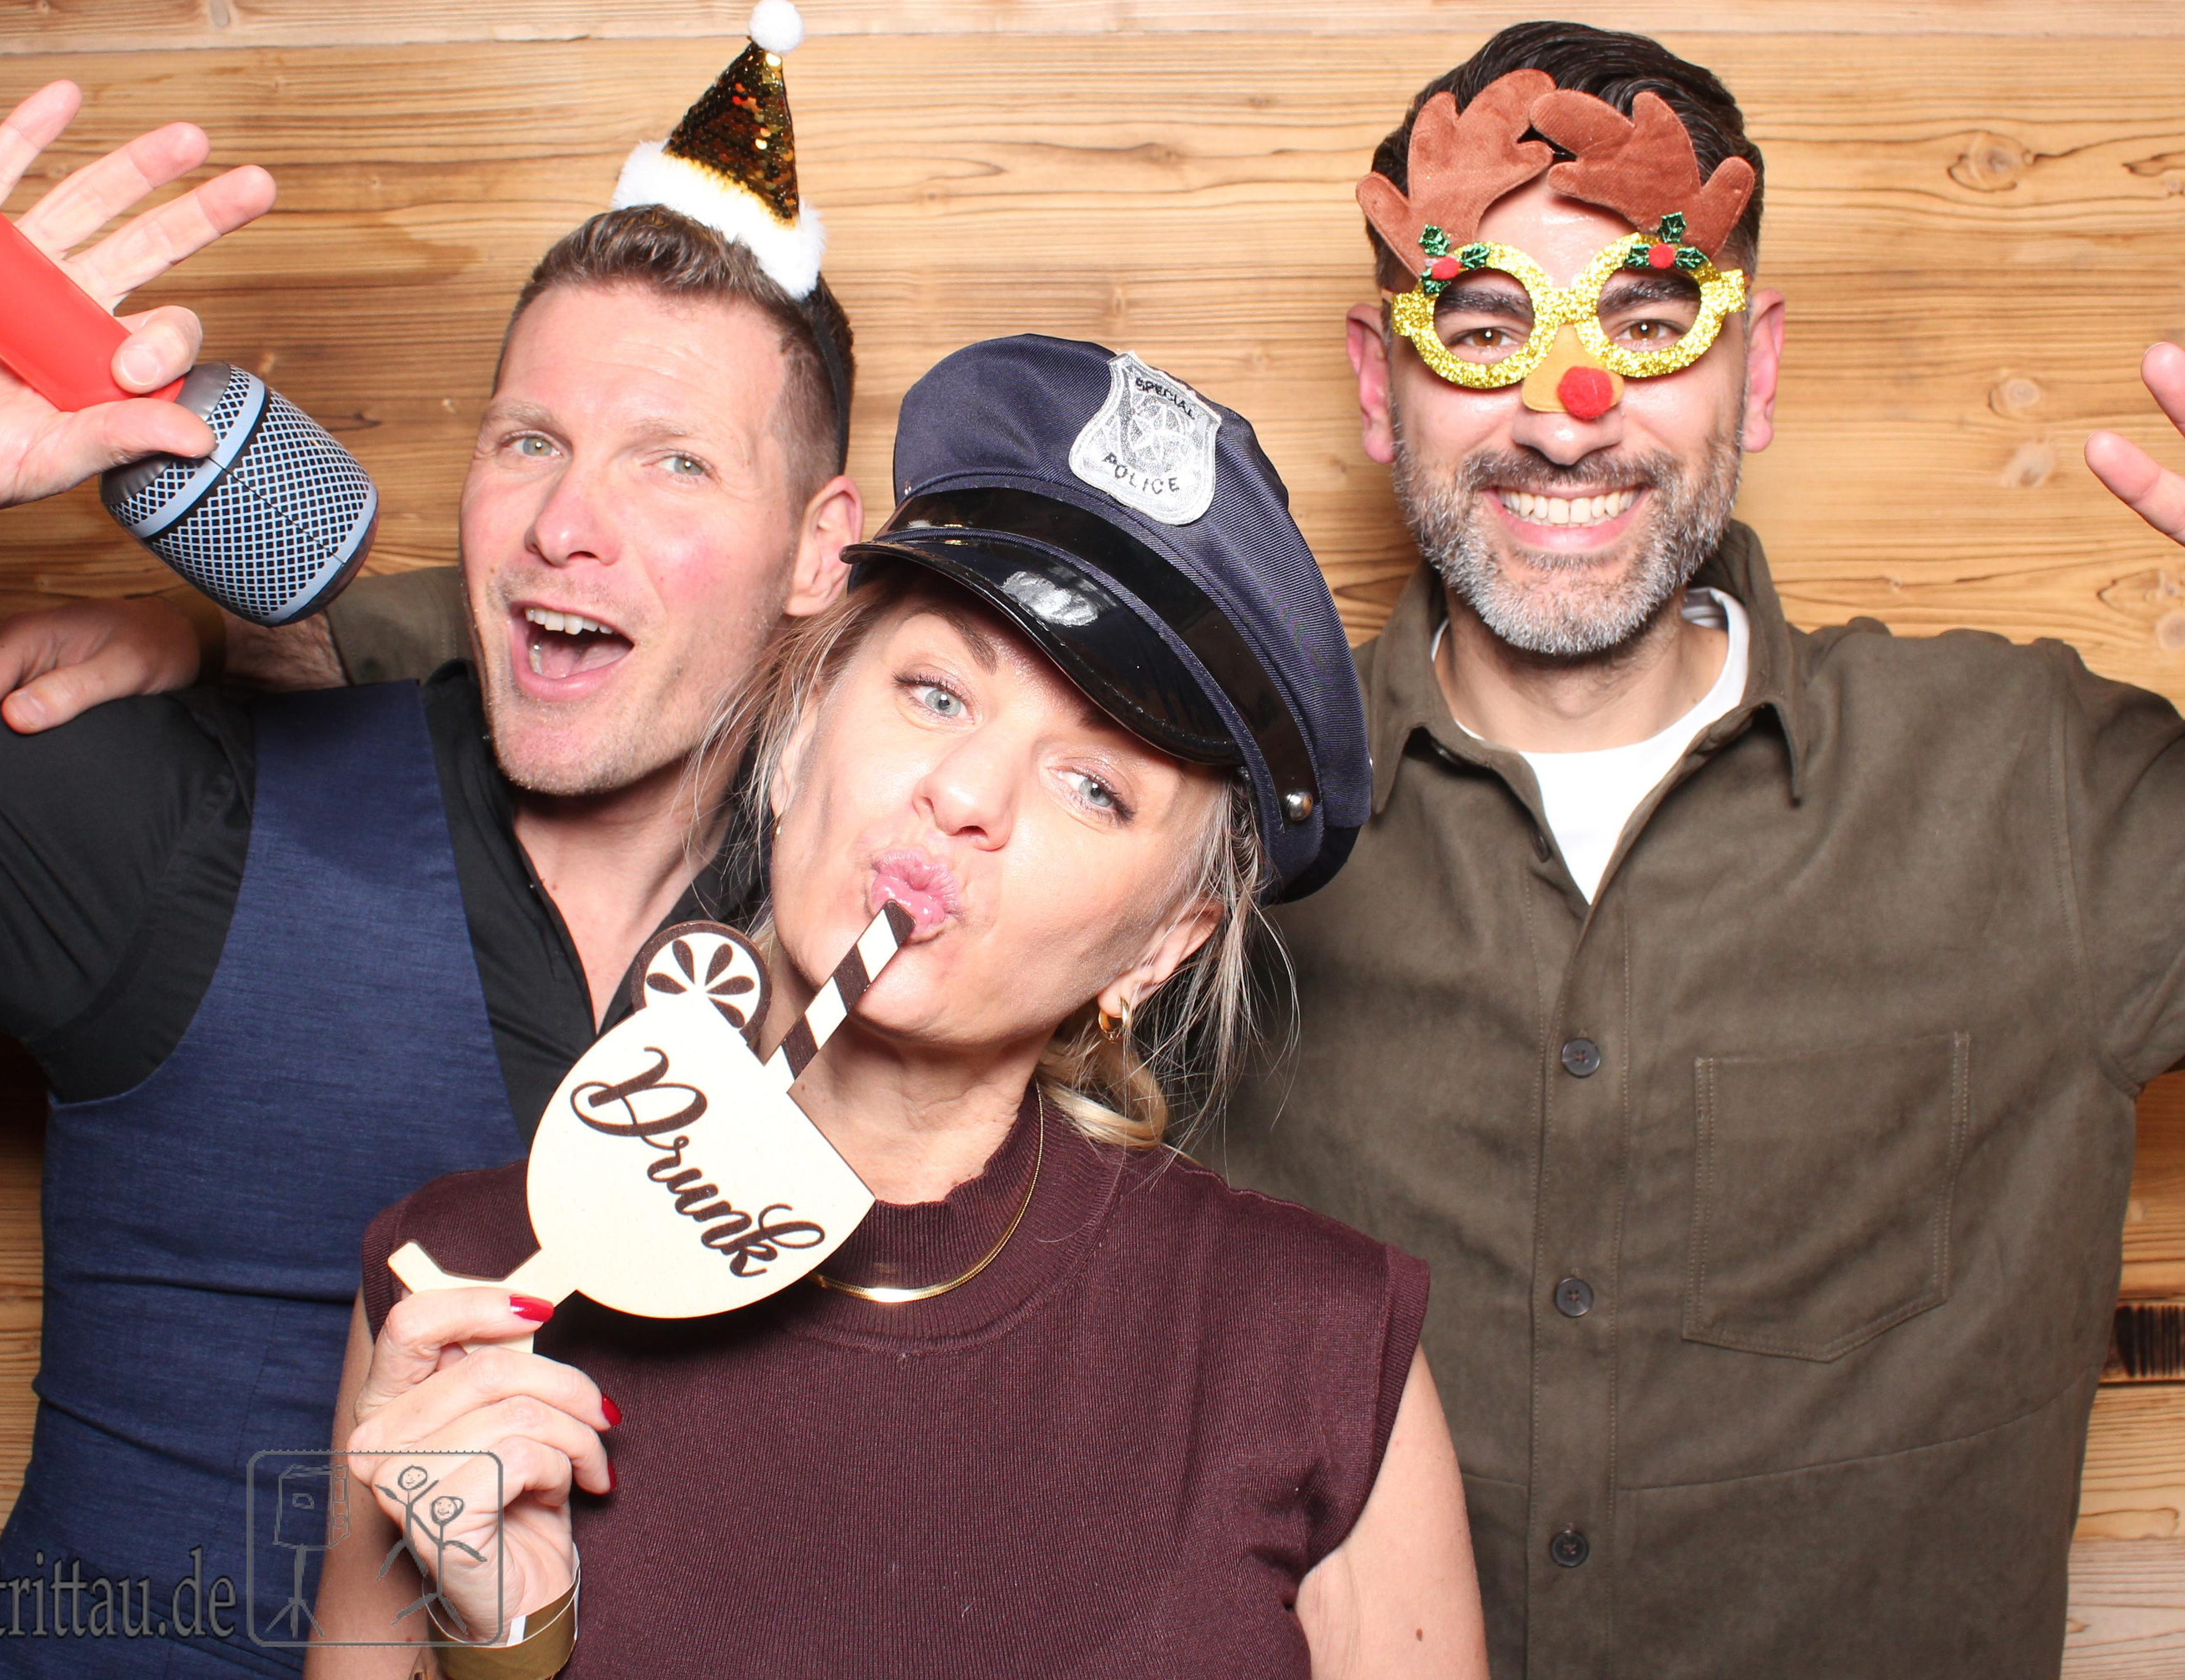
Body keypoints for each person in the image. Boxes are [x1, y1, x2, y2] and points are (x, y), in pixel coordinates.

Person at [0, 21, 2185, 1678]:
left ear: (1758, 371)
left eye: (1648, 327)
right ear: (1381, 383)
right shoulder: (1188, 790)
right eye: (1483, 324)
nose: (1568, 410)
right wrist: (265, 652)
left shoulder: (2025, 795)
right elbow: (740, 664)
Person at [0, 8, 866, 1677]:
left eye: (674, 464)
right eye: (528, 442)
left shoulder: (900, 951)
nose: (565, 525)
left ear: (820, 551)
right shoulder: (183, 819)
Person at [311, 332, 1478, 1678]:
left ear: (1161, 947)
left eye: (1093, 785)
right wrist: (503, 1638)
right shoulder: (456, 1294)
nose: (966, 794)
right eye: (935, 693)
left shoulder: (1318, 1349)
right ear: (804, 726)